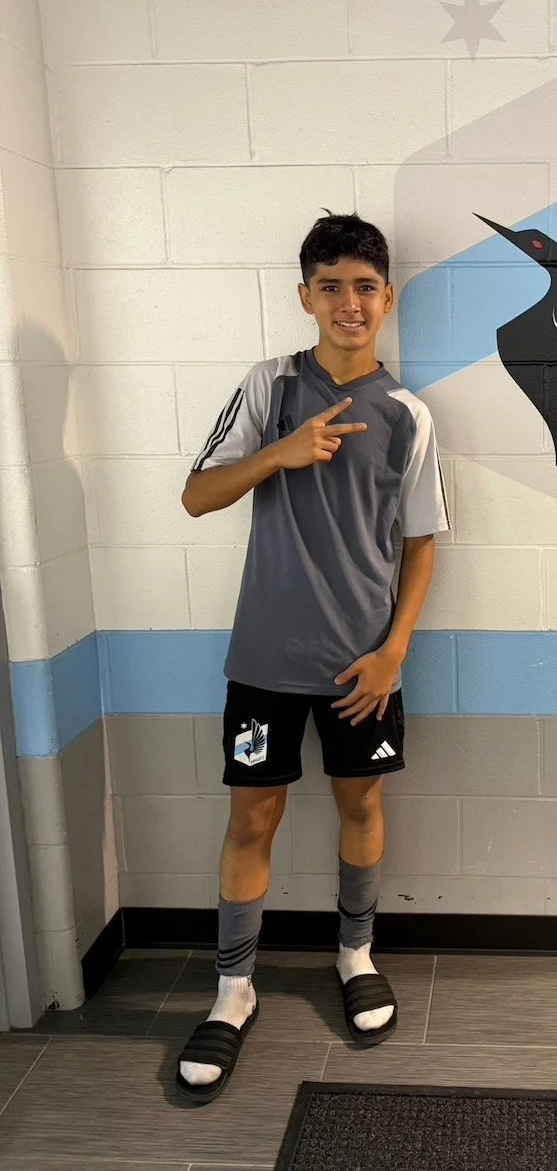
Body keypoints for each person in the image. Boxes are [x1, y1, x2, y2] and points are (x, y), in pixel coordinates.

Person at [174, 213, 448, 1104]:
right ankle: (233, 989)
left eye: (365, 287)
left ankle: (355, 953)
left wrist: (394, 652)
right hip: (264, 662)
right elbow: (197, 496)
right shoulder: (271, 386)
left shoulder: (409, 414)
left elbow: (422, 542)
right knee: (251, 821)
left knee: (360, 804)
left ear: (387, 299)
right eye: (330, 287)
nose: (348, 303)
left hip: (360, 669)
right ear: (305, 297)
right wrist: (280, 454)